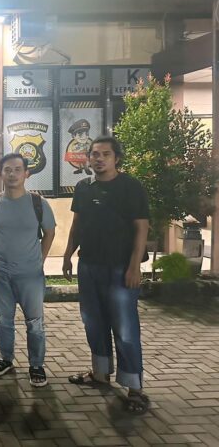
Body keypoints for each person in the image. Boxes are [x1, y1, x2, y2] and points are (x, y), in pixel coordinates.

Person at [62, 135, 151, 415]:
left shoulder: (130, 187)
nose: (99, 159)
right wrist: (67, 254)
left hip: (120, 269)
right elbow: (77, 224)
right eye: (94, 154)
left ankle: (134, 388)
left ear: (116, 158)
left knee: (125, 329)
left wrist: (135, 266)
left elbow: (141, 228)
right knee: (94, 323)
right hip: (89, 265)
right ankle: (100, 373)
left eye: (105, 154)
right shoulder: (83, 188)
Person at [0, 153, 56, 387]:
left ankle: (36, 365)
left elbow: (49, 232)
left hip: (30, 274)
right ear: (0, 173)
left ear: (26, 174)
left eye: (17, 169)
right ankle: (6, 358)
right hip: (0, 272)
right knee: (3, 319)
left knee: (35, 322)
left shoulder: (38, 203)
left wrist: (40, 259)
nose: (12, 174)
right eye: (7, 170)